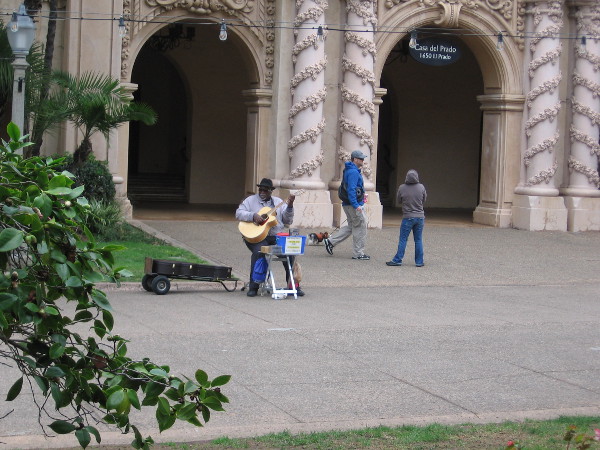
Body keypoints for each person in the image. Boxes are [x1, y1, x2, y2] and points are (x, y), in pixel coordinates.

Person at [235, 178, 304, 297]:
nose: (262, 192)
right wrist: (253, 216)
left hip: (276, 236)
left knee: (290, 254)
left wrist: (290, 206)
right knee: (258, 252)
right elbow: (238, 213)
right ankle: (253, 286)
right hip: (256, 237)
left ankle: (293, 286)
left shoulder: (278, 202)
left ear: (271, 191)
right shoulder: (250, 201)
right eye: (260, 189)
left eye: (265, 190)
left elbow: (288, 220)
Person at [323, 150, 370, 260]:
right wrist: (356, 205)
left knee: (352, 226)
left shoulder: (350, 170)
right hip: (354, 204)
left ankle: (330, 241)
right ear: (355, 159)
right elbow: (351, 189)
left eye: (363, 158)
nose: (363, 160)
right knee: (360, 227)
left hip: (348, 203)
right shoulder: (353, 172)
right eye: (361, 159)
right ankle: (358, 253)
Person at [386, 169, 427, 267]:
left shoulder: (402, 187)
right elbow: (424, 199)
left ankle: (397, 260)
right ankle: (419, 261)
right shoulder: (421, 187)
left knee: (403, 239)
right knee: (418, 239)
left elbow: (399, 200)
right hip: (420, 217)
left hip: (407, 217)